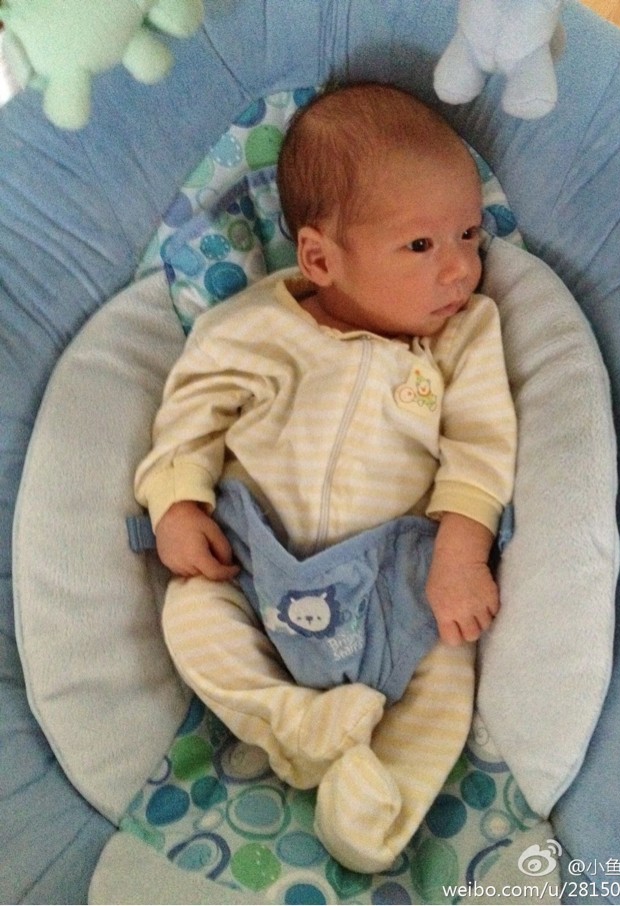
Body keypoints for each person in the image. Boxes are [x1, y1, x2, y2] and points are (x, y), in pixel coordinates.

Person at [134, 82, 517, 873]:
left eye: (469, 233)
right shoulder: (254, 328)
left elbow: (481, 444)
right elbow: (189, 413)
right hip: (255, 565)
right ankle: (296, 724)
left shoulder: (461, 337)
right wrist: (175, 502)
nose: (459, 268)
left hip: (398, 583)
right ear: (318, 258)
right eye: (420, 245)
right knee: (191, 615)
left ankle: (374, 811)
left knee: (450, 662)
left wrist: (460, 551)